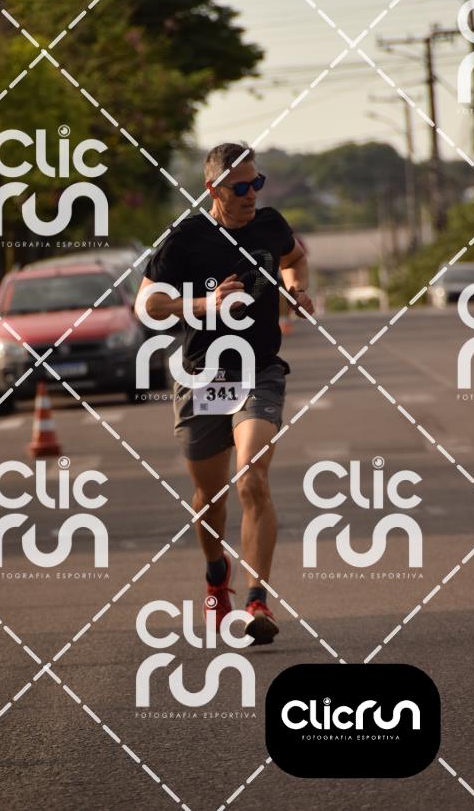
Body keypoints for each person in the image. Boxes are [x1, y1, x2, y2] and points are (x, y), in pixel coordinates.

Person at [137, 142, 314, 645]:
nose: (251, 194)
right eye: (240, 187)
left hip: (260, 371)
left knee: (252, 477)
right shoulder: (186, 237)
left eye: (257, 183)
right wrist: (205, 304)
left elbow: (295, 258)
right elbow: (146, 304)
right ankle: (217, 575)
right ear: (212, 189)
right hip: (202, 376)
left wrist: (296, 289)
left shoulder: (270, 225)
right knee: (209, 496)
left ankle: (257, 599)